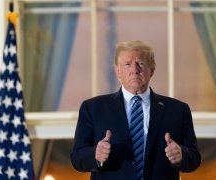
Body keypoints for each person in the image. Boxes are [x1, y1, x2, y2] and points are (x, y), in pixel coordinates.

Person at [71, 40, 201, 180]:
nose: (134, 70)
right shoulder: (93, 108)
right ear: (118, 71)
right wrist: (95, 155)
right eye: (127, 64)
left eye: (141, 63)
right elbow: (77, 158)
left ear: (152, 70)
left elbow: (194, 158)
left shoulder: (178, 110)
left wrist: (181, 155)